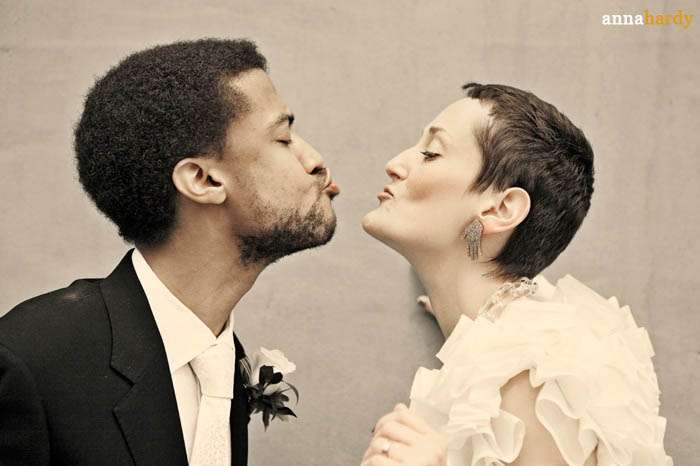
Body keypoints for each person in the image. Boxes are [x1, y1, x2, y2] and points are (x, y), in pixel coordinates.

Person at [0, 38, 339, 466]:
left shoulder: (225, 358)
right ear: (203, 180)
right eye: (284, 138)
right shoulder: (30, 360)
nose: (315, 161)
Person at [360, 83, 672, 466]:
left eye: (431, 153)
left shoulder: (537, 378)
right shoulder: (513, 337)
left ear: (500, 209)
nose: (395, 164)